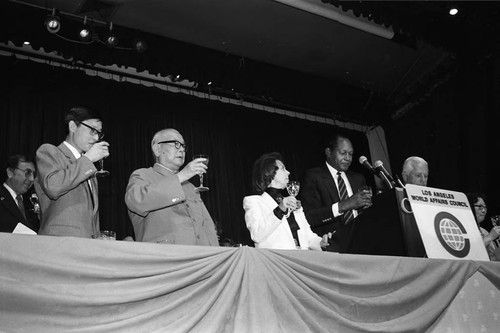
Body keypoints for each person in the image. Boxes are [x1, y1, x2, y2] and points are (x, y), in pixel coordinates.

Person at [125, 128, 219, 245]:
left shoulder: (190, 187)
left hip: (199, 258)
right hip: (164, 257)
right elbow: (136, 201)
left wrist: (217, 255)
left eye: (184, 146)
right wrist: (181, 176)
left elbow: (207, 227)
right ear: (157, 149)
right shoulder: (142, 175)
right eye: (176, 144)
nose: (182, 150)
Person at [35, 106, 109, 238]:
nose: (96, 137)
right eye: (92, 130)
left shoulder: (87, 167)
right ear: (73, 126)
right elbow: (53, 186)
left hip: (87, 246)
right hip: (59, 242)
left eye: (99, 133)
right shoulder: (50, 151)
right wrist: (88, 159)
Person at [301, 133, 372, 252]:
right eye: (343, 153)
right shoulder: (313, 176)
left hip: (361, 242)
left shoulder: (358, 178)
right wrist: (343, 205)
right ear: (329, 152)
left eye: (351, 154)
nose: (348, 158)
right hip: (332, 245)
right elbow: (309, 216)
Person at [243, 152, 329, 250]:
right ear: (270, 172)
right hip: (276, 262)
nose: (288, 172)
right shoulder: (253, 201)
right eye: (283, 168)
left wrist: (320, 242)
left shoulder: (290, 201)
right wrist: (280, 209)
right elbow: (257, 235)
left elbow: (308, 236)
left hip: (302, 260)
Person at [0, 154, 39, 233]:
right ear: (10, 172)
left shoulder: (31, 201)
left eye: (33, 174)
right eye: (27, 172)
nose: (32, 179)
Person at [466, 192, 500, 261]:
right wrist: (489, 238)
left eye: (485, 207)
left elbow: (495, 258)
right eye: (480, 207)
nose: (484, 211)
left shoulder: (484, 232)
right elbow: (468, 254)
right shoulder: (463, 229)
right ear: (469, 206)